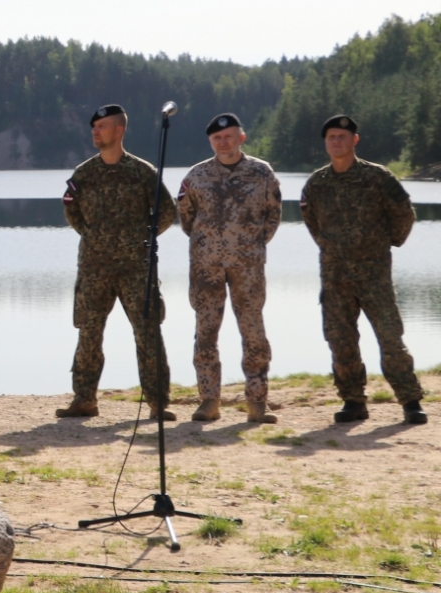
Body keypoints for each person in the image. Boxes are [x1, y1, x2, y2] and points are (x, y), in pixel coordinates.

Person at [301, 115, 427, 426]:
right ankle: (353, 400)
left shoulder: (377, 177)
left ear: (354, 140)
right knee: (340, 339)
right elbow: (311, 220)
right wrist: (332, 246)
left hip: (374, 274)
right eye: (331, 136)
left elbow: (404, 214)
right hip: (334, 276)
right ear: (326, 142)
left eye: (342, 136)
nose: (336, 141)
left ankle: (410, 401)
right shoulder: (317, 183)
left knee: (390, 337)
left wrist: (387, 242)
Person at [58, 105, 176, 421]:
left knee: (147, 332)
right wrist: (95, 236)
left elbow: (166, 212)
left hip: (136, 267)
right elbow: (72, 212)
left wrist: (140, 238)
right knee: (89, 333)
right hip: (94, 267)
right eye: (94, 127)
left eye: (102, 126)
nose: (96, 131)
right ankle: (84, 399)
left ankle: (157, 402)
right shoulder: (84, 174)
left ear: (119, 131)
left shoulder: (142, 172)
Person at [176, 112, 282, 424]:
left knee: (253, 333)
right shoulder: (196, 176)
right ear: (211, 141)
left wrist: (251, 245)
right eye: (217, 138)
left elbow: (273, 215)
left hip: (248, 266)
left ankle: (257, 402)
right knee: (205, 332)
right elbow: (186, 217)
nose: (223, 142)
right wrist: (208, 244)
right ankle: (209, 400)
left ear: (241, 138)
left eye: (229, 136)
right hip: (206, 267)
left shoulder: (261, 173)